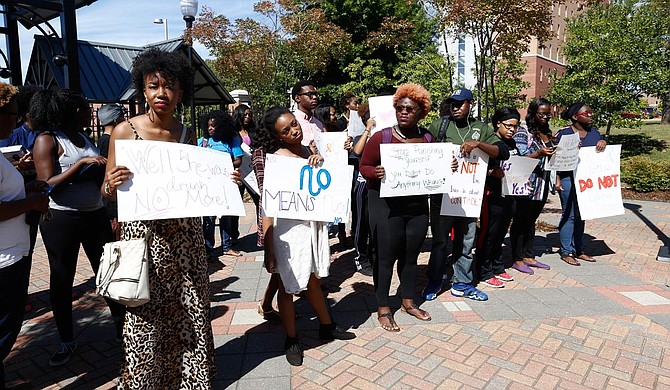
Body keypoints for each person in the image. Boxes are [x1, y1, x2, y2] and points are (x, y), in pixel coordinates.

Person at [102, 47, 219, 387]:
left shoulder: (186, 134)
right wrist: (111, 184)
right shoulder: (124, 132)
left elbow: (194, 183)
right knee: (144, 316)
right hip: (144, 239)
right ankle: (146, 381)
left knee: (189, 308)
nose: (161, 93)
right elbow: (105, 193)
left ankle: (189, 380)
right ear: (143, 89)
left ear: (180, 91)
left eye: (169, 86)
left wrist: (221, 182)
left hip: (185, 238)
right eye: (153, 86)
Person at [31, 89, 125, 367]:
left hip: (94, 213)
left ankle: (122, 329)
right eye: (86, 108)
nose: (90, 112)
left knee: (108, 271)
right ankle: (65, 339)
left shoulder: (84, 138)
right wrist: (83, 164)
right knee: (62, 277)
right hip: (62, 219)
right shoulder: (48, 140)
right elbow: (46, 182)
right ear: (73, 111)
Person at [257, 107, 355, 366]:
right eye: (286, 130)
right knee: (286, 287)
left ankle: (326, 325)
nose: (293, 131)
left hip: (312, 226)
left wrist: (328, 156)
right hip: (287, 233)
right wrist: (269, 248)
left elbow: (328, 179)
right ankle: (291, 339)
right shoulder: (277, 160)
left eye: (293, 124)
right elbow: (268, 208)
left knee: (313, 279)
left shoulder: (310, 151)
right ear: (278, 136)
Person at [422, 88, 510, 302]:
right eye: (452, 103)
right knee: (440, 241)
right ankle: (435, 280)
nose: (455, 107)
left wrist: (478, 144)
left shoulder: (480, 128)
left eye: (460, 103)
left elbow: (503, 151)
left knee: (466, 240)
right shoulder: (440, 126)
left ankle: (462, 283)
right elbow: (423, 149)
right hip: (442, 196)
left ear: (471, 104)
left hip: (468, 196)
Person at [360, 83, 434, 332]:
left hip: (416, 207)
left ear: (420, 112)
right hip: (386, 207)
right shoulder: (382, 137)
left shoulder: (427, 138)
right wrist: (375, 171)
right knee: (385, 258)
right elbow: (364, 166)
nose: (403, 112)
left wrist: (448, 166)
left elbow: (436, 169)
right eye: (400, 108)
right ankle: (383, 307)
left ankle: (408, 302)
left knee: (411, 257)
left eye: (410, 109)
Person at [0, 82, 50, 389]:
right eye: (13, 114)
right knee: (5, 326)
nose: (17, 120)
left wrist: (26, 189)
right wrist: (31, 202)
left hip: (10, 252)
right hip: (4, 258)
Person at [555, 102, 607, 266]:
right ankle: (566, 251)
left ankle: (579, 250)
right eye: (586, 113)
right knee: (569, 214)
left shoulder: (594, 134)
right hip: (567, 179)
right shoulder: (564, 133)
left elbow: (600, 157)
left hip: (586, 181)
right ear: (574, 116)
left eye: (591, 112)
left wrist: (603, 143)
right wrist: (556, 180)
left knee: (581, 214)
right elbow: (555, 158)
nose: (590, 115)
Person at [476, 107, 522, 288]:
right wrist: (490, 172)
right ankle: (484, 270)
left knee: (501, 231)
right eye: (508, 126)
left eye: (515, 127)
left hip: (509, 193)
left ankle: (497, 265)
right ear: (498, 124)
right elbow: (477, 166)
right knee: (489, 232)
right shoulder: (490, 143)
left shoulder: (512, 145)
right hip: (491, 195)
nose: (512, 130)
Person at [508, 98, 555, 274]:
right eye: (541, 113)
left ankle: (528, 255)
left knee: (531, 221)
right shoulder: (523, 132)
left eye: (547, 113)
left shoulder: (547, 132)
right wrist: (539, 153)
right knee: (520, 221)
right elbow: (519, 158)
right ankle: (517, 258)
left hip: (541, 183)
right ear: (533, 113)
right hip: (526, 183)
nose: (545, 117)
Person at [198, 110, 244, 259]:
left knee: (226, 216)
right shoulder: (202, 142)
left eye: (214, 126)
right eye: (209, 126)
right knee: (209, 218)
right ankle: (208, 249)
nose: (210, 129)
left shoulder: (231, 140)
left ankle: (226, 246)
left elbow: (238, 159)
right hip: (208, 186)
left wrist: (223, 164)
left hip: (226, 184)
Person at [350, 103, 375, 276]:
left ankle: (373, 255)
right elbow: (357, 151)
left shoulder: (386, 136)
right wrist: (367, 131)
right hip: (361, 186)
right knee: (361, 222)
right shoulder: (361, 137)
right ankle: (361, 256)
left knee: (375, 223)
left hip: (377, 186)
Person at [291, 80, 323, 147]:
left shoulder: (318, 124)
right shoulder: (292, 121)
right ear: (297, 98)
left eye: (315, 94)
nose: (314, 97)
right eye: (309, 94)